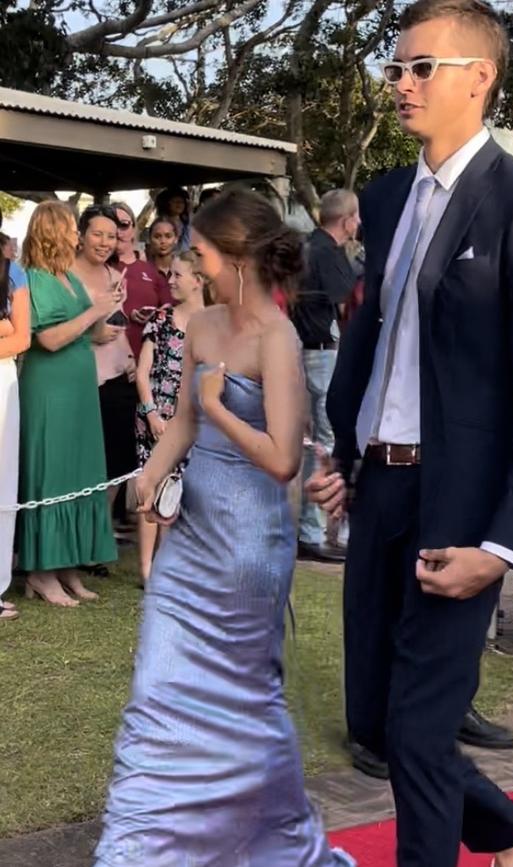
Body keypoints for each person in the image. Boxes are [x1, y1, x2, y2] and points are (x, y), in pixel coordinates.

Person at [307, 2, 513, 866]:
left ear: (479, 77)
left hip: (460, 503)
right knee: (384, 726)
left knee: (422, 733)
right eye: (395, 68)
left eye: (421, 67)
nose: (401, 84)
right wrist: (343, 453)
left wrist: (504, 542)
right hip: (380, 488)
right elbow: (373, 337)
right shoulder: (386, 198)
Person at [94, 188, 354, 867]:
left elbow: (282, 459)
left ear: (238, 256)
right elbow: (182, 421)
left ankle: (275, 838)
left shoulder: (279, 337)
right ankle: (139, 849)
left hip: (250, 547)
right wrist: (152, 475)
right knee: (155, 689)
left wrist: (220, 405)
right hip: (192, 540)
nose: (195, 263)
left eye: (204, 252)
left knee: (245, 704)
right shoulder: (201, 324)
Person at [18, 201, 119, 606]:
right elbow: (48, 339)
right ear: (51, 232)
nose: (78, 236)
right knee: (54, 472)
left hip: (79, 387)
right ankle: (41, 572)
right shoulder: (35, 277)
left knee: (79, 471)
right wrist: (94, 310)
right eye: (71, 230)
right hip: (50, 389)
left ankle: (67, 565)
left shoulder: (69, 278)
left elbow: (83, 334)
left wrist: (105, 312)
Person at [290, 190, 359, 562]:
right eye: (356, 218)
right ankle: (312, 531)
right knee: (324, 444)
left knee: (316, 443)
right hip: (319, 354)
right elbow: (347, 294)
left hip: (309, 352)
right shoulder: (326, 253)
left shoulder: (306, 248)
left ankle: (311, 529)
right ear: (346, 220)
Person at [134, 250, 204, 584]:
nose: (171, 281)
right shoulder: (161, 319)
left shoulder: (214, 324)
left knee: (180, 492)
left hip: (192, 421)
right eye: (170, 274)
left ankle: (171, 566)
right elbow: (143, 371)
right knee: (151, 486)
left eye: (178, 275)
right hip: (155, 417)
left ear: (198, 281)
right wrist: (150, 414)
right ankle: (147, 568)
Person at [73, 205, 137, 526]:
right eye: (97, 234)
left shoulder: (115, 276)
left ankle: (99, 535)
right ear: (81, 235)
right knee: (81, 464)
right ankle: (78, 535)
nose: (104, 242)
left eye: (111, 236)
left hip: (116, 379)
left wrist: (130, 360)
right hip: (79, 380)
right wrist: (91, 334)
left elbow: (119, 326)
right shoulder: (64, 274)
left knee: (117, 464)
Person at [0, 253, 30, 621]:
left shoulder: (11, 270)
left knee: (1, 480)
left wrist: (7, 329)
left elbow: (21, 335)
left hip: (1, 383)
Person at [111, 201, 173, 360]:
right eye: (112, 225)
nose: (118, 232)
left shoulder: (150, 270)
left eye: (123, 225)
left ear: (133, 229)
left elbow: (170, 306)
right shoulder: (100, 268)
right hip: (110, 361)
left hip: (147, 360)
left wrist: (154, 314)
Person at [154, 185, 191, 252]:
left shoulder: (187, 223)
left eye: (182, 202)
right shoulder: (160, 223)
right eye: (176, 201)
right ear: (167, 203)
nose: (179, 204)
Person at [148, 217, 178, 287]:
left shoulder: (185, 270)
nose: (163, 241)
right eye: (157, 237)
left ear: (176, 239)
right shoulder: (142, 270)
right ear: (150, 239)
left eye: (168, 236)